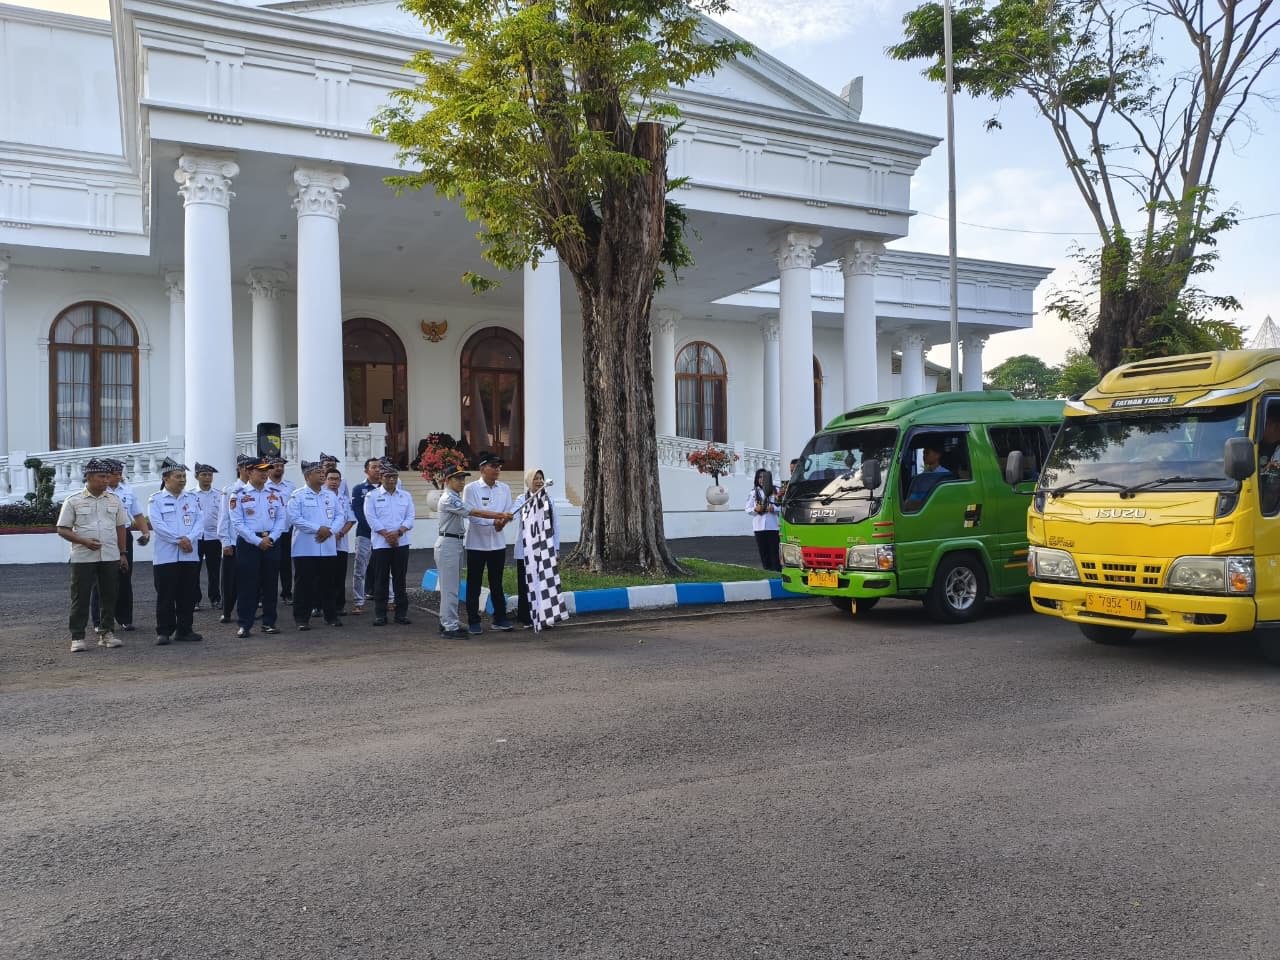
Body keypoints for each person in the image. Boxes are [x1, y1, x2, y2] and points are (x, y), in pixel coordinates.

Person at [56, 458, 130, 653]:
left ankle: (107, 634)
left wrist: (123, 553)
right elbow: (62, 529)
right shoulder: (73, 500)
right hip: (83, 557)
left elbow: (120, 527)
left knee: (109, 596)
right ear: (88, 477)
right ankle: (77, 637)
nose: (106, 480)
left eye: (107, 476)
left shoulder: (114, 500)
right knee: (80, 597)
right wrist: (84, 541)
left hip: (110, 555)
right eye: (101, 476)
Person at [435, 464, 511, 639]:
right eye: (457, 478)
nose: (462, 482)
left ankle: (448, 622)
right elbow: (475, 512)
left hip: (454, 542)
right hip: (448, 543)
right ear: (448, 480)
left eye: (463, 478)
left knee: (452, 587)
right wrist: (500, 515)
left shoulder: (454, 497)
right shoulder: (449, 498)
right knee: (449, 588)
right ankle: (449, 626)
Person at [146, 458, 205, 646]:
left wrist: (190, 538)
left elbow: (200, 522)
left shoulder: (192, 498)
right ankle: (164, 631)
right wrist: (179, 540)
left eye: (184, 476)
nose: (182, 480)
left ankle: (185, 630)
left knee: (187, 595)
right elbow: (158, 525)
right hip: (166, 557)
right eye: (178, 476)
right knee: (166, 595)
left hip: (189, 554)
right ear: (166, 478)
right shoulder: (156, 499)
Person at [228, 457, 288, 638]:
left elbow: (281, 519)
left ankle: (269, 622)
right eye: (260, 470)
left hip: (271, 541)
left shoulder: (275, 493)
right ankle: (245, 624)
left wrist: (271, 537)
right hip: (249, 543)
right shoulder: (238, 494)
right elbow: (237, 523)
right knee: (248, 584)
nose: (264, 473)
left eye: (266, 470)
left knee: (270, 583)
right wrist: (256, 541)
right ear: (249, 471)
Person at [90, 458, 150, 633]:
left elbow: (137, 514)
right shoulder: (98, 491)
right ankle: (99, 621)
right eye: (115, 474)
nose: (118, 477)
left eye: (119, 474)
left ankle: (125, 618)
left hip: (124, 535)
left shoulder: (128, 490)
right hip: (103, 536)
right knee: (101, 579)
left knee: (124, 576)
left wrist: (145, 532)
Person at [463, 451, 516, 634]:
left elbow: (508, 511)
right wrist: (495, 521)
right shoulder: (471, 489)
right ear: (482, 468)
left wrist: (503, 522)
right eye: (493, 466)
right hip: (476, 544)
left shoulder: (504, 488)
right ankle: (473, 620)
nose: (497, 469)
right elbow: (472, 515)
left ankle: (500, 618)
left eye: (499, 466)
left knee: (497, 583)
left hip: (497, 544)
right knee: (474, 583)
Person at [287, 460, 340, 630]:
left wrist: (330, 531)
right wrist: (318, 529)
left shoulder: (330, 495)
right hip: (305, 548)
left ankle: (331, 616)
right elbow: (295, 518)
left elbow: (340, 516)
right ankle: (302, 618)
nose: (323, 474)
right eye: (318, 472)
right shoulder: (297, 495)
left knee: (329, 583)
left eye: (322, 472)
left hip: (327, 547)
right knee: (304, 585)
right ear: (308, 476)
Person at [512, 467, 566, 634]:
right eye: (535, 478)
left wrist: (556, 548)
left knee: (545, 583)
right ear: (529, 481)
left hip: (545, 550)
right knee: (525, 584)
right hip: (526, 551)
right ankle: (526, 617)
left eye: (541, 478)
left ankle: (546, 617)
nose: (539, 481)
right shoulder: (522, 499)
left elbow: (555, 525)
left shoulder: (549, 500)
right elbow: (514, 515)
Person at [364, 459, 416, 626]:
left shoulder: (405, 495)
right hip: (381, 543)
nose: (392, 479)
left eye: (394, 476)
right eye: (388, 476)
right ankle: (380, 614)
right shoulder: (372, 496)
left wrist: (399, 532)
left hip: (401, 542)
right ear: (381, 478)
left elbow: (410, 517)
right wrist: (386, 535)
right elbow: (371, 518)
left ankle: (401, 614)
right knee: (381, 579)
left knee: (400, 579)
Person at [217, 455, 253, 624]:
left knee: (249, 579)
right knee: (229, 581)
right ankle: (226, 611)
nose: (249, 470)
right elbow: (223, 517)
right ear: (239, 468)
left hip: (252, 541)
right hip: (234, 540)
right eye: (246, 467)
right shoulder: (230, 489)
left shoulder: (258, 489)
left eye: (251, 468)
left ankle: (246, 611)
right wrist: (225, 541)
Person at [350, 457, 382, 615]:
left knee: (385, 570)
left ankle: (390, 599)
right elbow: (359, 513)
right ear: (366, 470)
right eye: (374, 467)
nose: (377, 470)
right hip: (365, 534)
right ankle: (358, 601)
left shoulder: (387, 488)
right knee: (360, 569)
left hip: (383, 536)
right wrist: (376, 528)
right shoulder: (359, 489)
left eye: (379, 467)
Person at [326, 468, 356, 617]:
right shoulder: (321, 496)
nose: (333, 482)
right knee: (323, 576)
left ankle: (339, 606)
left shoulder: (344, 499)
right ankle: (319, 605)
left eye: (336, 479)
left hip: (340, 543)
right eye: (331, 479)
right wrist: (330, 533)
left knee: (339, 576)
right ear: (325, 480)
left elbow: (351, 519)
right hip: (324, 542)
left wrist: (341, 533)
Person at [191, 462, 221, 611]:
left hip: (213, 537)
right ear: (197, 476)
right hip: (196, 538)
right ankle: (195, 600)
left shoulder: (219, 495)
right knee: (194, 571)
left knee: (214, 571)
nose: (207, 477)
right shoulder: (190, 495)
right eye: (204, 474)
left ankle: (215, 599)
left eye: (210, 475)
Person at [266, 457, 295, 604]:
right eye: (275, 466)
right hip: (269, 531)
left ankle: (286, 593)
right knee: (268, 564)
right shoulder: (264, 486)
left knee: (285, 564)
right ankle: (265, 595)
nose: (279, 468)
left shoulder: (290, 486)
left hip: (286, 530)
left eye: (281, 466)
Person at [745, 468, 781, 571]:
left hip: (773, 526)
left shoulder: (776, 491)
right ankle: (767, 571)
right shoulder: (753, 493)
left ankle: (777, 572)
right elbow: (747, 509)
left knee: (774, 552)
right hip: (759, 527)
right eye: (759, 477)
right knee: (764, 552)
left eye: (764, 477)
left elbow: (782, 506)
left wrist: (774, 509)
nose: (762, 479)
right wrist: (755, 509)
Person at [903, 442, 952, 512]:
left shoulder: (946, 475)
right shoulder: (923, 476)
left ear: (937, 455)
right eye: (923, 453)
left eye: (927, 453)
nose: (924, 456)